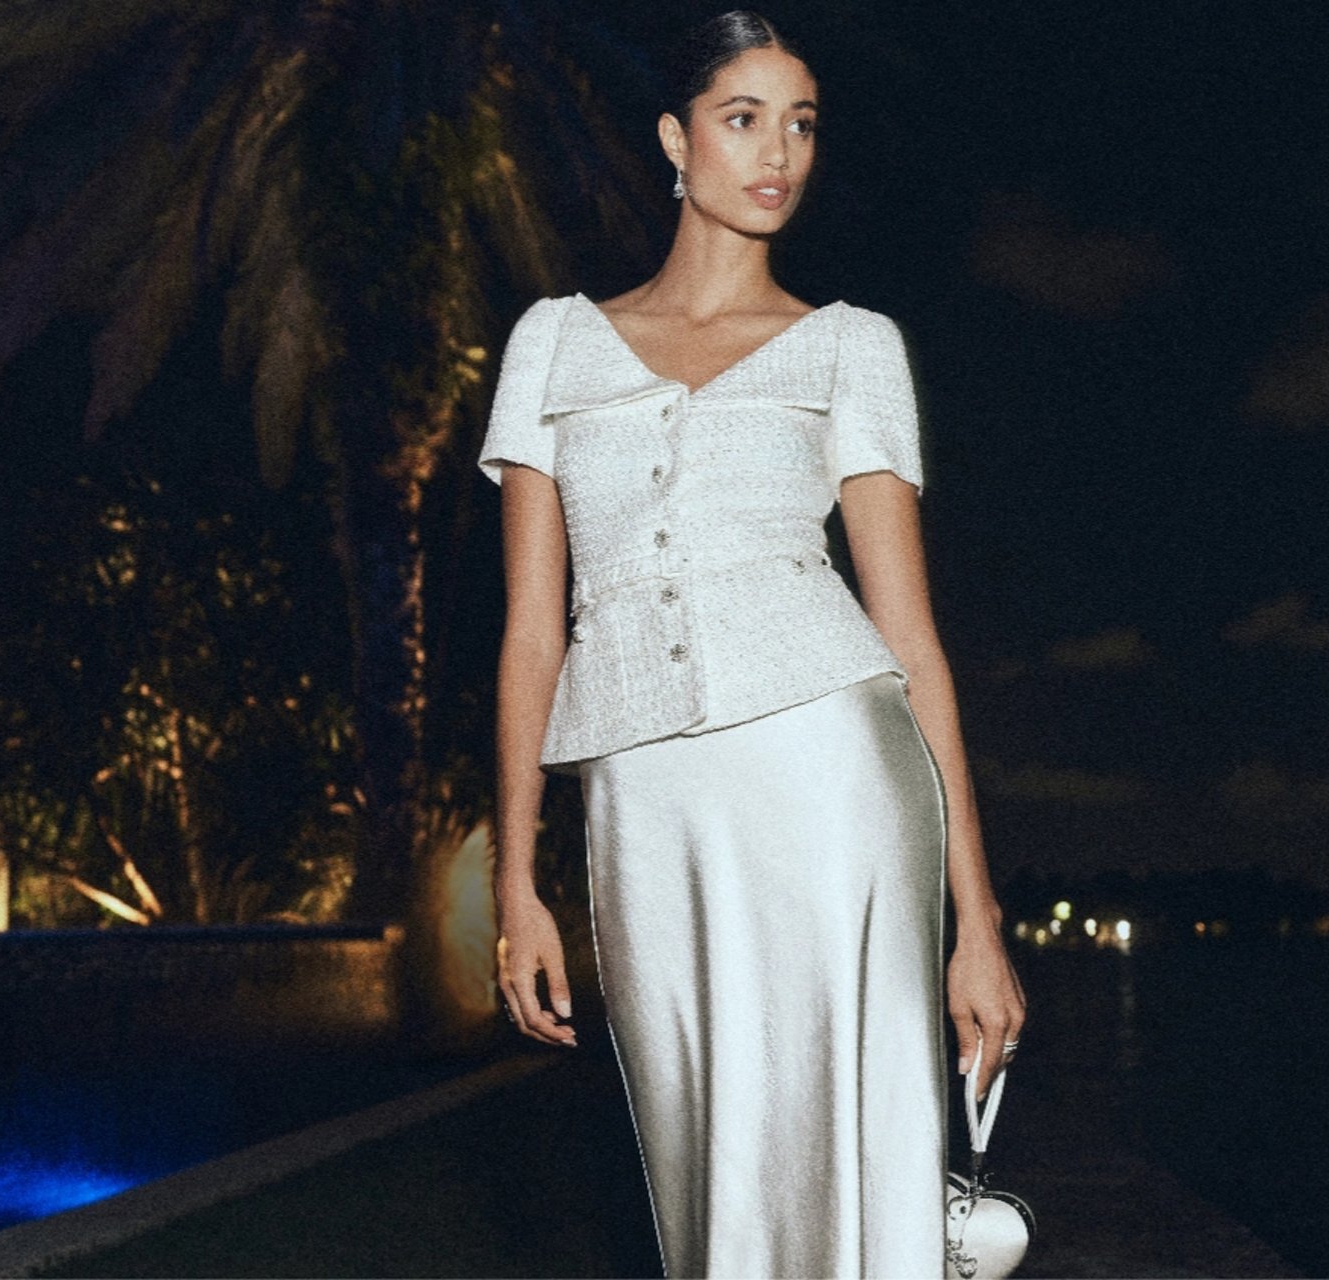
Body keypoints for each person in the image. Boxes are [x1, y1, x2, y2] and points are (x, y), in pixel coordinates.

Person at [479, 11, 1026, 1277]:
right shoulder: (551, 342)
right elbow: (527, 636)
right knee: (701, 1152)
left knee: (857, 1135)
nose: (778, 151)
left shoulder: (852, 345)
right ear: (676, 139)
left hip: (837, 771)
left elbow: (912, 643)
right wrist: (519, 881)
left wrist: (976, 920)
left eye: (802, 122)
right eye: (744, 117)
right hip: (646, 798)